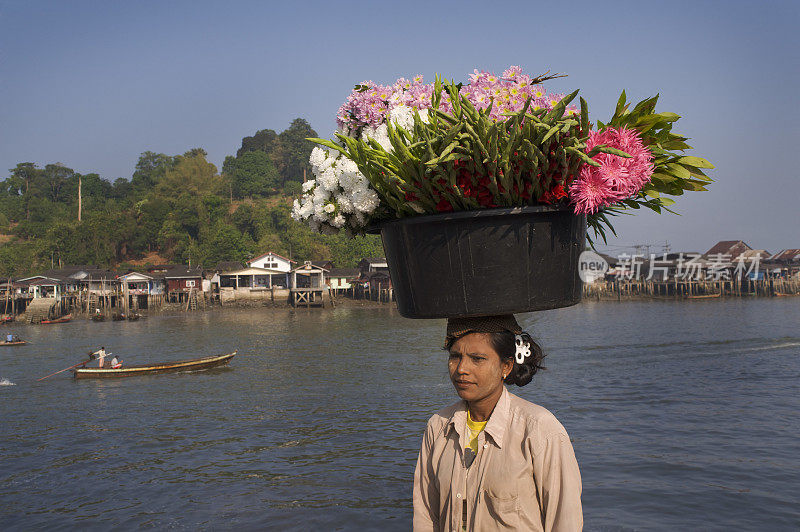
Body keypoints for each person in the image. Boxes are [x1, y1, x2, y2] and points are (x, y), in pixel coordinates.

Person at [413, 315, 582, 531]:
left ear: (506, 366)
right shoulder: (438, 427)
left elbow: (564, 521)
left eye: (477, 359)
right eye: (455, 356)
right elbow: (425, 516)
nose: (462, 369)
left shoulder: (539, 429)